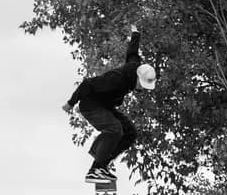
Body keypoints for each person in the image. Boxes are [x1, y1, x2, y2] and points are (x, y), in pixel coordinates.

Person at [62, 25, 156, 184]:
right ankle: (96, 169)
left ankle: (101, 166)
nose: (142, 89)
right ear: (138, 78)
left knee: (130, 132)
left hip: (104, 106)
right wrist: (71, 103)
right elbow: (87, 84)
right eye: (142, 86)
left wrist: (136, 34)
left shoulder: (136, 66)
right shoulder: (115, 80)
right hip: (90, 105)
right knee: (114, 128)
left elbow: (132, 52)